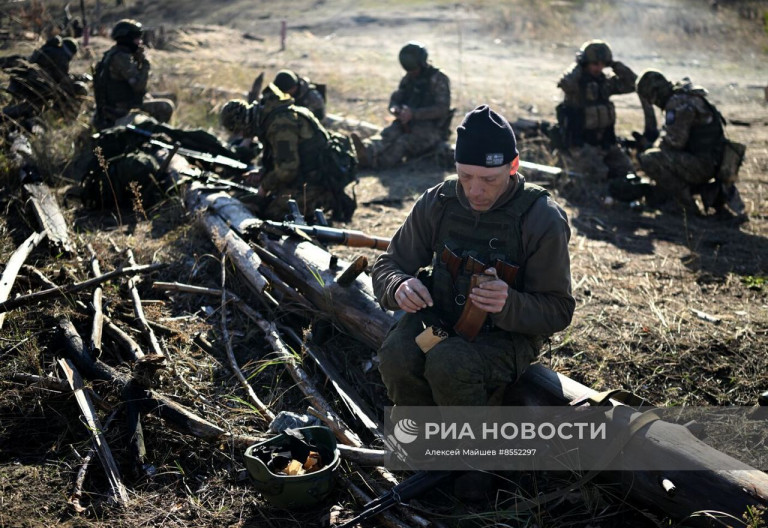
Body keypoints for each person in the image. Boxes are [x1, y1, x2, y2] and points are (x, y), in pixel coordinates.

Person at [372, 105, 574, 412]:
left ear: (513, 166)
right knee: (398, 356)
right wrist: (398, 285)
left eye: (489, 180)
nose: (475, 191)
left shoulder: (541, 218)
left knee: (449, 363)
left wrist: (509, 303)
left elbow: (559, 310)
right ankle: (422, 442)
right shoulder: (438, 202)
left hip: (505, 339)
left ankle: (470, 453)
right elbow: (389, 264)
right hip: (442, 324)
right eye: (465, 176)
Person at [219, 84, 358, 222]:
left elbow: (287, 169)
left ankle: (326, 204)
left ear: (243, 124)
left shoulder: (279, 124)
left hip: (318, 182)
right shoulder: (269, 117)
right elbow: (285, 158)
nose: (242, 136)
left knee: (273, 213)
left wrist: (263, 188)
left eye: (239, 131)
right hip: (306, 175)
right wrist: (263, 173)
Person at [635, 69, 746, 218]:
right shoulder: (686, 95)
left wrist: (651, 148)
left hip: (703, 165)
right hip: (714, 162)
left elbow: (674, 142)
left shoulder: (677, 102)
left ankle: (685, 206)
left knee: (650, 159)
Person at [353, 42, 452, 169]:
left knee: (402, 143)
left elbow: (442, 109)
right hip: (406, 123)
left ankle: (374, 163)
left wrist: (414, 114)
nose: (412, 73)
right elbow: (396, 99)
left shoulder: (438, 79)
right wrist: (396, 109)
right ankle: (363, 152)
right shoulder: (408, 79)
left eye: (414, 70)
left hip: (432, 130)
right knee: (388, 134)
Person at [554, 39, 638, 181]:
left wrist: (614, 64)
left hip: (605, 142)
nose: (598, 68)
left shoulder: (605, 83)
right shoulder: (576, 85)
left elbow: (632, 83)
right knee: (598, 175)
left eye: (602, 64)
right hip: (581, 145)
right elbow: (565, 83)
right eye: (594, 64)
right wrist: (578, 64)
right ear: (585, 63)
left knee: (625, 170)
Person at [93, 19, 174, 129]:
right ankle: (155, 134)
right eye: (137, 38)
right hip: (118, 112)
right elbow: (139, 87)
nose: (140, 42)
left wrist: (137, 60)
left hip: (115, 106)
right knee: (166, 106)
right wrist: (145, 63)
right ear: (127, 39)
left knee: (164, 96)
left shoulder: (113, 53)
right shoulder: (121, 58)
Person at [2, 36, 87, 120]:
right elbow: (60, 77)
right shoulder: (61, 55)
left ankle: (8, 117)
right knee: (34, 106)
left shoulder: (49, 49)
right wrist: (75, 79)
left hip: (28, 80)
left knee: (18, 105)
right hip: (37, 85)